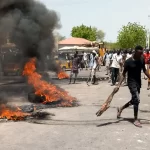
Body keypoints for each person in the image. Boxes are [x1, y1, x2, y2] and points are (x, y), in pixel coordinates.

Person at [115, 45, 150, 127]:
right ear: (135, 52)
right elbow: (123, 74)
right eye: (139, 53)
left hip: (138, 82)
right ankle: (135, 119)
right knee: (136, 99)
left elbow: (144, 70)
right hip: (131, 82)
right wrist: (118, 85)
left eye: (142, 53)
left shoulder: (141, 59)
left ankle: (121, 108)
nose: (141, 55)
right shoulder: (128, 62)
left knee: (134, 100)